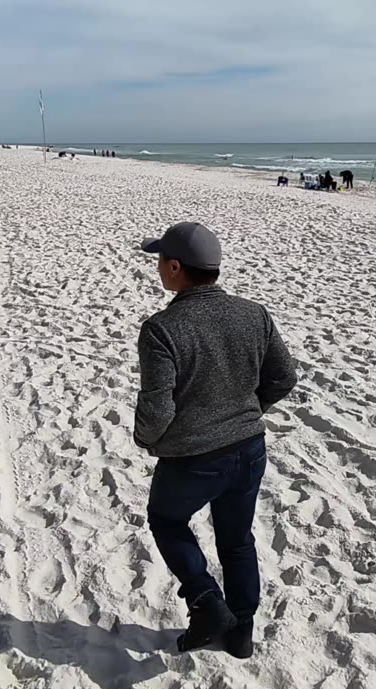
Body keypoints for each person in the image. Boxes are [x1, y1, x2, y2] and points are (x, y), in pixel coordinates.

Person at [136, 222, 297, 658]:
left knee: (167, 522)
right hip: (249, 449)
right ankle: (241, 633)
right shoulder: (254, 313)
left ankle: (206, 602)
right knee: (237, 540)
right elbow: (283, 378)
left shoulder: (162, 329)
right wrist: (246, 412)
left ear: (174, 267)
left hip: (193, 460)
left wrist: (147, 440)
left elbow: (158, 407)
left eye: (160, 261)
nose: (158, 269)